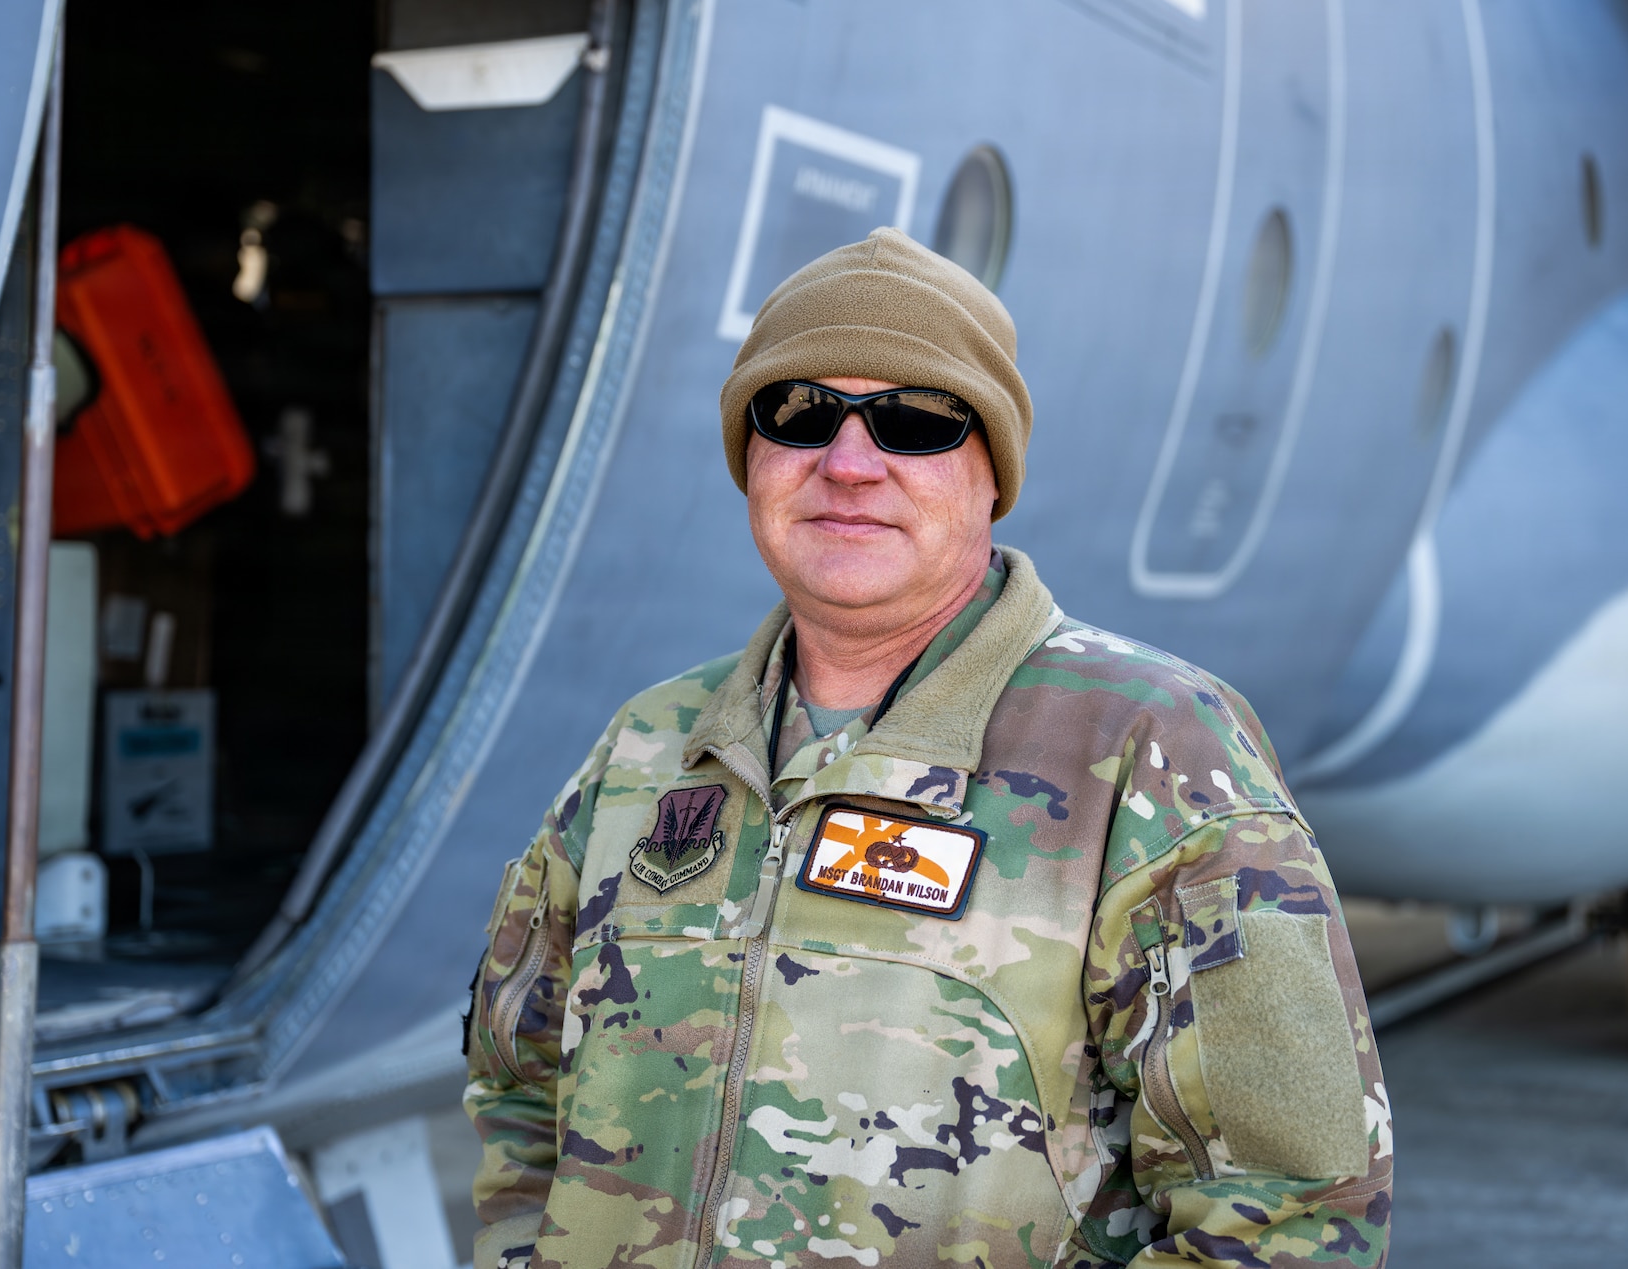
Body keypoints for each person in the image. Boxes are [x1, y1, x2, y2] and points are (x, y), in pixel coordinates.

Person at [463, 228, 1392, 1268]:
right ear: (749, 456)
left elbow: (1289, 1216)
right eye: (800, 413)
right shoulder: (650, 746)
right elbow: (518, 1085)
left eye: (914, 422)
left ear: (992, 471)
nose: (848, 464)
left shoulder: (1150, 750)